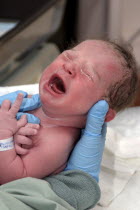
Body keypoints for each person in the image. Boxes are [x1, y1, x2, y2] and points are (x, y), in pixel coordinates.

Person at [0, 39, 138, 185]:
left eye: (87, 73)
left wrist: (4, 137)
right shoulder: (26, 101)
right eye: (68, 57)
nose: (69, 66)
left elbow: (13, 180)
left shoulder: (58, 139)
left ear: (102, 111)